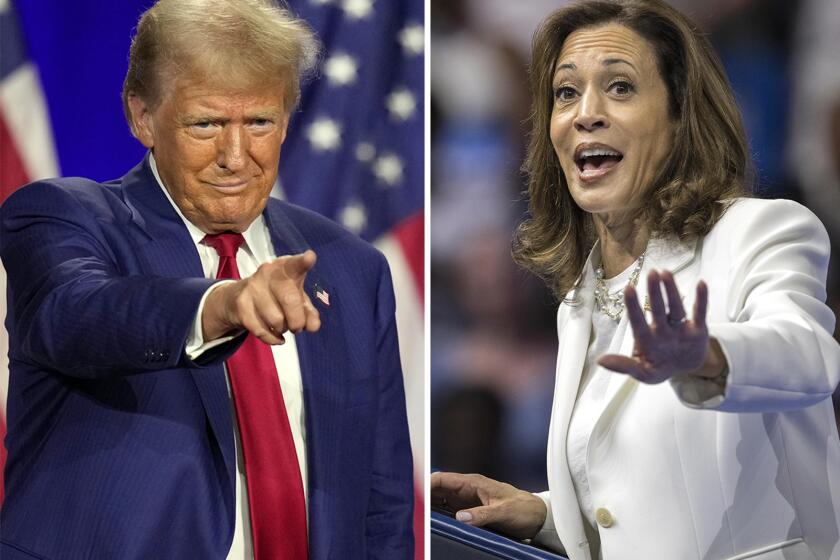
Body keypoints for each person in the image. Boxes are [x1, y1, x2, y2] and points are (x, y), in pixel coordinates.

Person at [0, 1, 414, 558]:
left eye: (260, 122)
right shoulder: (64, 217)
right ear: (142, 116)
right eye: (207, 123)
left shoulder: (352, 267)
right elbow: (76, 313)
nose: (236, 157)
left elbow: (380, 499)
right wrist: (222, 304)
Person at [431, 1, 840, 559]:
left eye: (620, 87)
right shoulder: (580, 295)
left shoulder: (759, 231)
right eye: (566, 93)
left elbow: (809, 357)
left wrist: (707, 355)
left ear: (680, 118)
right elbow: (638, 504)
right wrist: (549, 515)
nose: (585, 114)